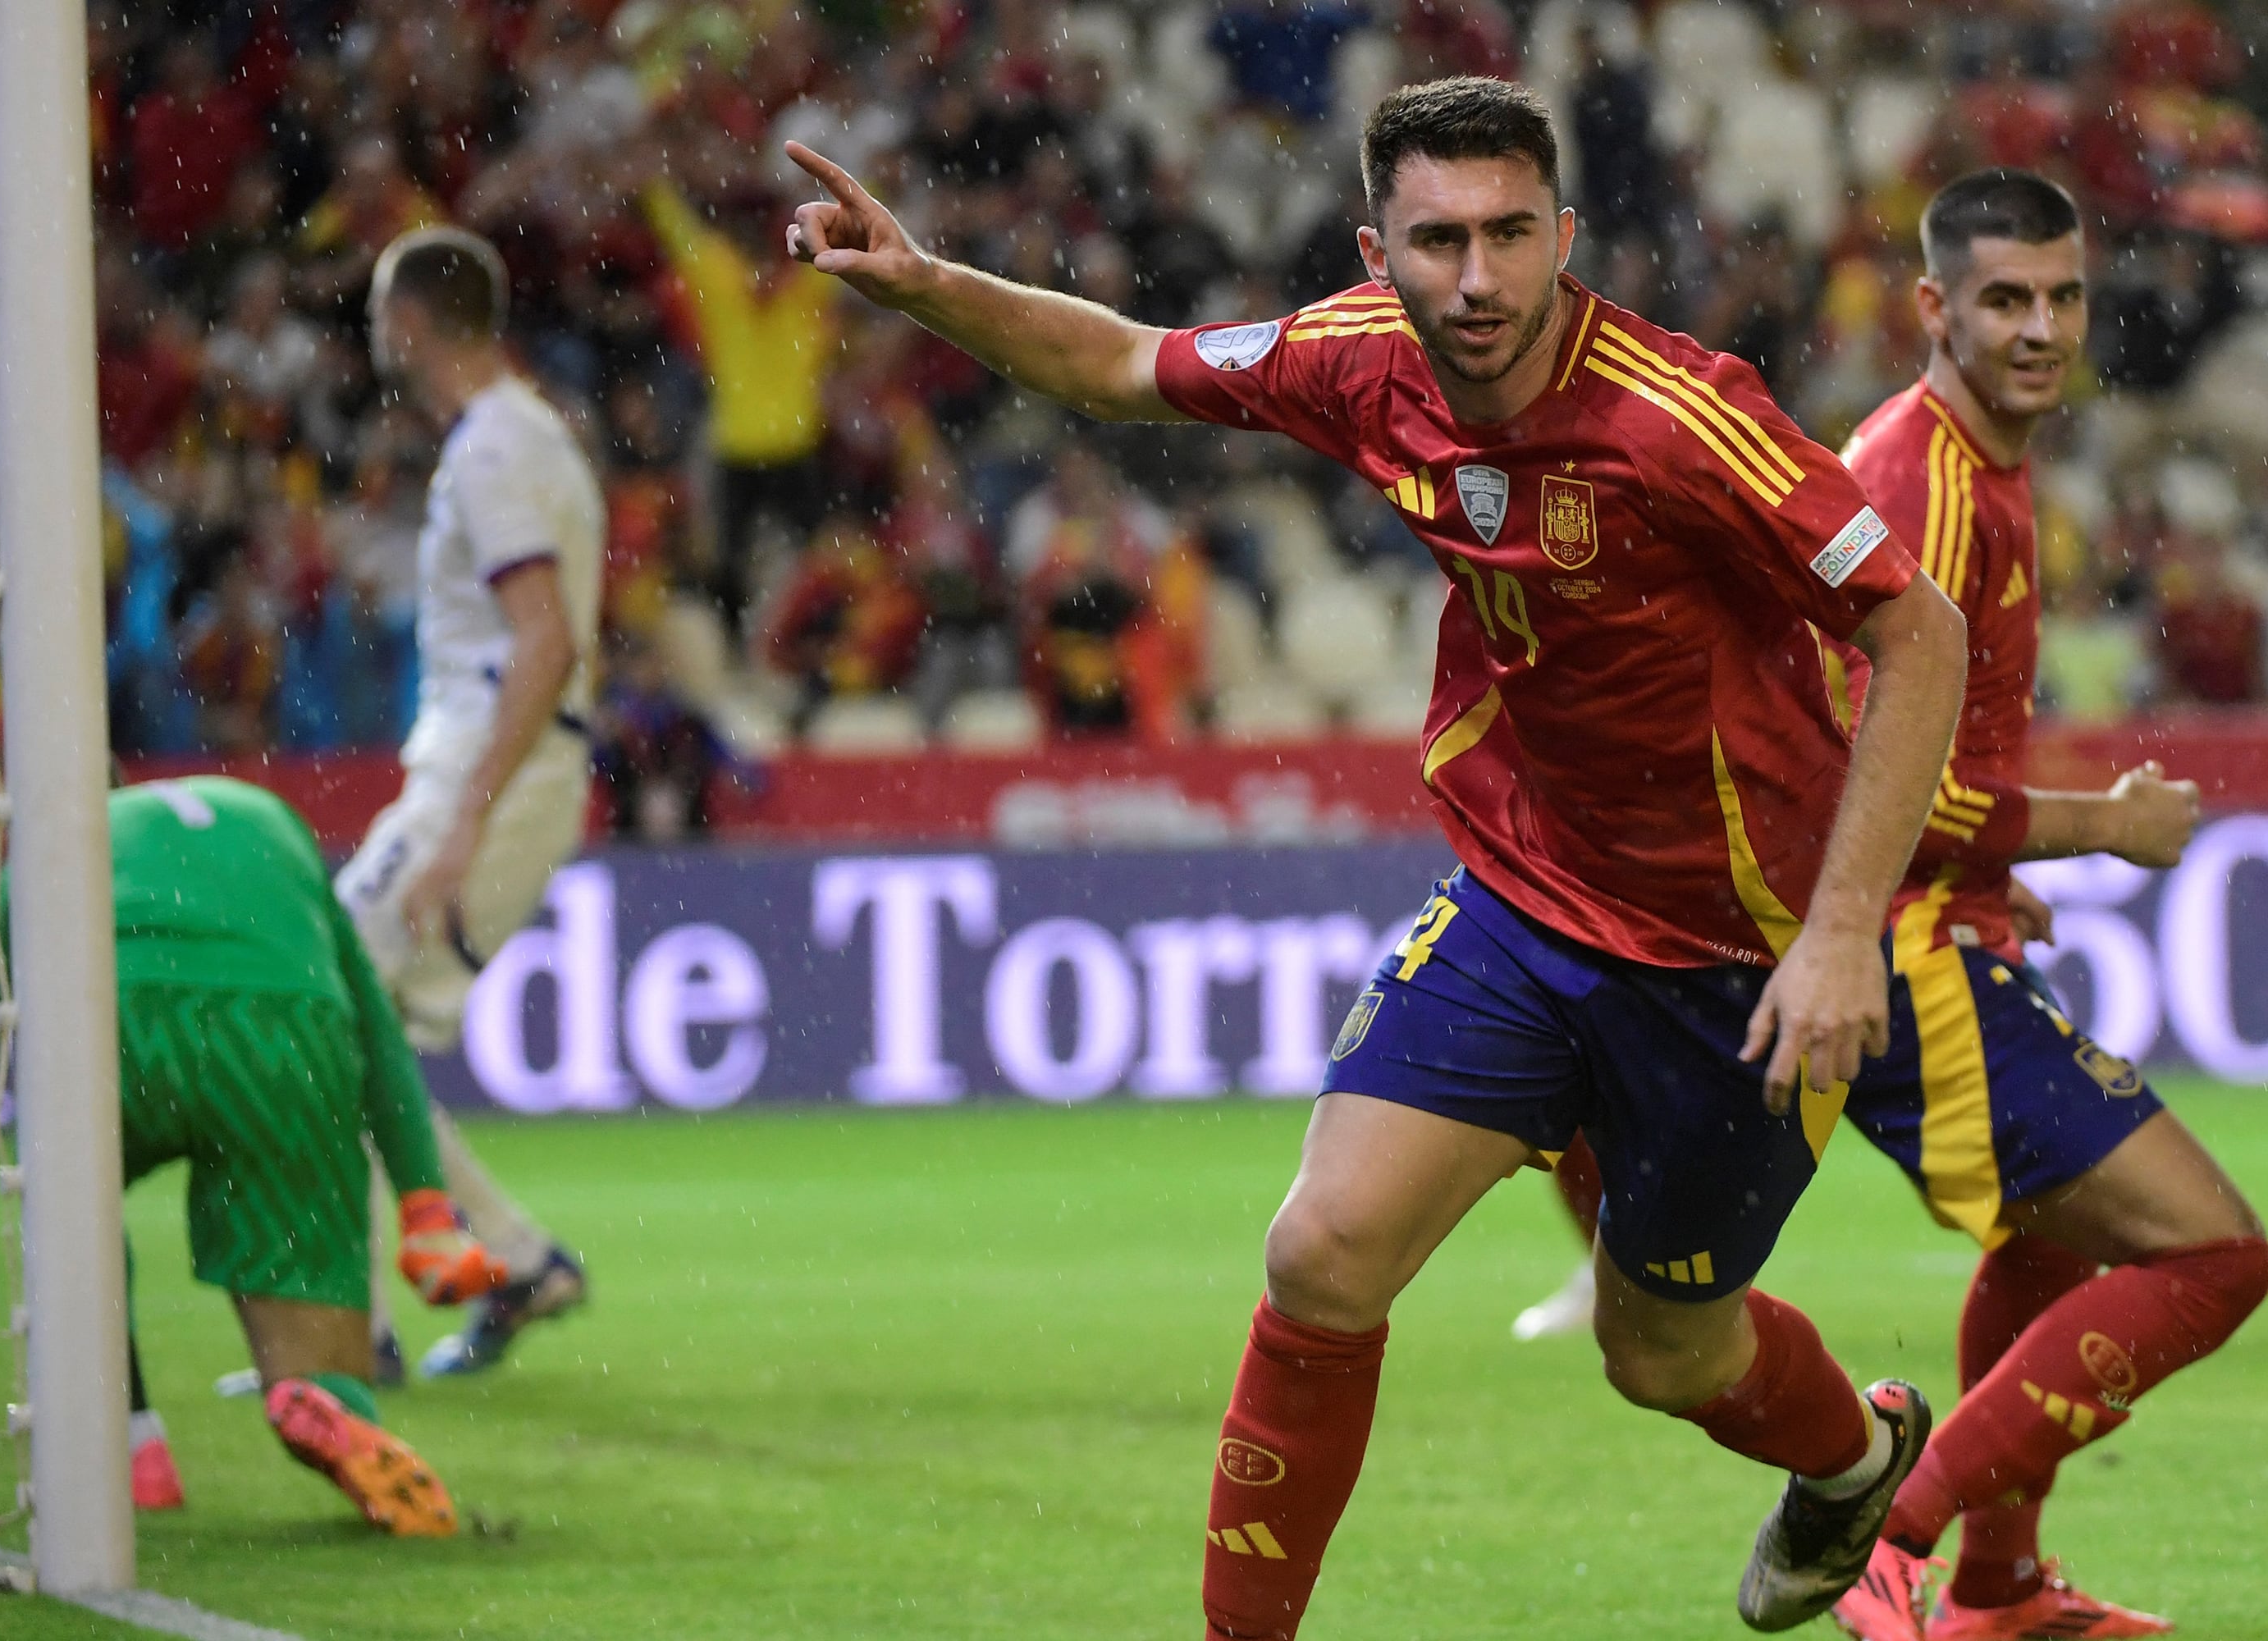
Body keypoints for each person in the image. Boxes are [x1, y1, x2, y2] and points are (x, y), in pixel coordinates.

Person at [786, 75, 1972, 1636]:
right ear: (1376, 249)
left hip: (1738, 957)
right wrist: (931, 285)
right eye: (1434, 243)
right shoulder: (1355, 360)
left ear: (1565, 234)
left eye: (1505, 237)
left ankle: (1856, 1456)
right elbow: (1128, 363)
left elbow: (1918, 627)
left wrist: (1836, 938)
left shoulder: (1684, 421)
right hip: (1526, 903)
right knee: (1324, 1255)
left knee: (1664, 1353)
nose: (1474, 281)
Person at [1794, 170, 2268, 1641]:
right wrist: (2099, 831)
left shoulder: (1973, 460)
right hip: (1894, 948)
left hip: (1941, 920)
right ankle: (1893, 1538)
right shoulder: (1920, 485)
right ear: (1933, 306)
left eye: (2063, 296)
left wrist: (2001, 872)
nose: (2042, 326)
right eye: (2005, 298)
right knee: (2214, 1255)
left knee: (2051, 1245)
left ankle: (1997, 1587)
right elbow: (1857, 784)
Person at [0, 779, 506, 1534]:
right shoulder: (270, 817)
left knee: (71, 1204)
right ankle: (326, 1397)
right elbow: (375, 1031)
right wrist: (426, 1209)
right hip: (286, 1031)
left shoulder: (49, 850)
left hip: (120, 1016)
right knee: (310, 1295)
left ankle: (131, 1444)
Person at [333, 228, 601, 1379]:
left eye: (378, 309)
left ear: (413, 322)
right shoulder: (528, 434)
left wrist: (464, 821)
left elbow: (543, 638)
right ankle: (512, 1261)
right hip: (506, 763)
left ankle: (360, 1332)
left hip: (494, 768)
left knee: (319, 992)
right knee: (353, 1035)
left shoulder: (492, 453)